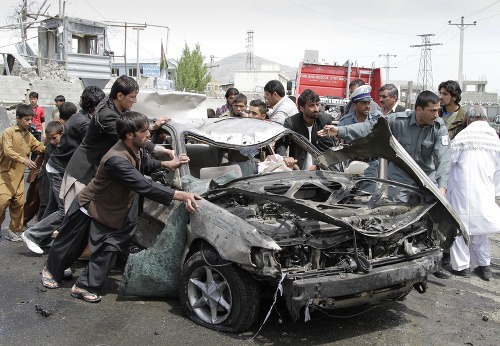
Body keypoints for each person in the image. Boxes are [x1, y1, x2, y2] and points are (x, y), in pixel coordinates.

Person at [40, 112, 201, 303]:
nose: (149, 135)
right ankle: (51, 271)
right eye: (144, 131)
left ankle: (84, 286)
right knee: (69, 245)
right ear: (130, 134)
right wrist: (182, 195)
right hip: (89, 205)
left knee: (111, 246)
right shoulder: (116, 158)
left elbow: (144, 164)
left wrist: (168, 163)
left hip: (111, 210)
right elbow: (143, 185)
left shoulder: (134, 148)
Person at [318, 90, 452, 279]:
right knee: (397, 217)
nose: (437, 114)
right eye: (433, 110)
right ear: (419, 109)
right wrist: (340, 130)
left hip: (425, 180)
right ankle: (396, 257)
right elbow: (369, 128)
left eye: (438, 110)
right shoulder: (397, 121)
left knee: (431, 221)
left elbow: (444, 159)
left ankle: (433, 260)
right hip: (400, 180)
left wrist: (441, 187)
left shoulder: (438, 127)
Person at [60, 75, 172, 211]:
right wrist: (162, 150)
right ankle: (33, 233)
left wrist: (152, 126)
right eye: (132, 97)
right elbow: (131, 137)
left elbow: (133, 129)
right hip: (84, 171)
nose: (135, 101)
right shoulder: (107, 115)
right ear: (120, 96)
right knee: (73, 214)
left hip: (92, 172)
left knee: (78, 216)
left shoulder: (114, 107)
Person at [22, 97, 91, 255]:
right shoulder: (74, 127)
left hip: (58, 171)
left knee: (53, 206)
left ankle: (43, 237)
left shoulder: (74, 125)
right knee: (66, 209)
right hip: (57, 172)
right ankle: (32, 234)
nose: (53, 141)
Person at [448, 105, 500, 281]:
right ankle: (484, 266)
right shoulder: (495, 138)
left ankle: (462, 267)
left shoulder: (463, 136)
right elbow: (498, 171)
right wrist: (494, 190)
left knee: (460, 228)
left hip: (462, 190)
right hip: (485, 190)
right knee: (480, 229)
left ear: (468, 119)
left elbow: (449, 161)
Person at [0, 104, 45, 241]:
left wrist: (55, 145)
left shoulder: (29, 136)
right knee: (2, 201)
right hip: (4, 174)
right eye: (27, 119)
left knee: (18, 203)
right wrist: (24, 160)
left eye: (31, 119)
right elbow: (8, 152)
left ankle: (14, 230)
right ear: (18, 119)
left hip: (18, 176)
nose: (30, 122)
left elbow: (39, 147)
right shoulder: (8, 133)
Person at [275, 89, 333, 170]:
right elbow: (281, 143)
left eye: (317, 104)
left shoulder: (325, 120)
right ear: (302, 108)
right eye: (312, 105)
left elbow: (329, 148)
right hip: (298, 170)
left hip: (321, 170)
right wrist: (285, 157)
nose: (316, 109)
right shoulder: (291, 122)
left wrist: (318, 166)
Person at [338, 85, 383, 180]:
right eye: (363, 103)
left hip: (370, 165)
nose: (367, 106)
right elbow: (338, 145)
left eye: (368, 103)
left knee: (368, 193)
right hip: (351, 166)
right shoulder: (345, 121)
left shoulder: (376, 120)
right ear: (354, 105)